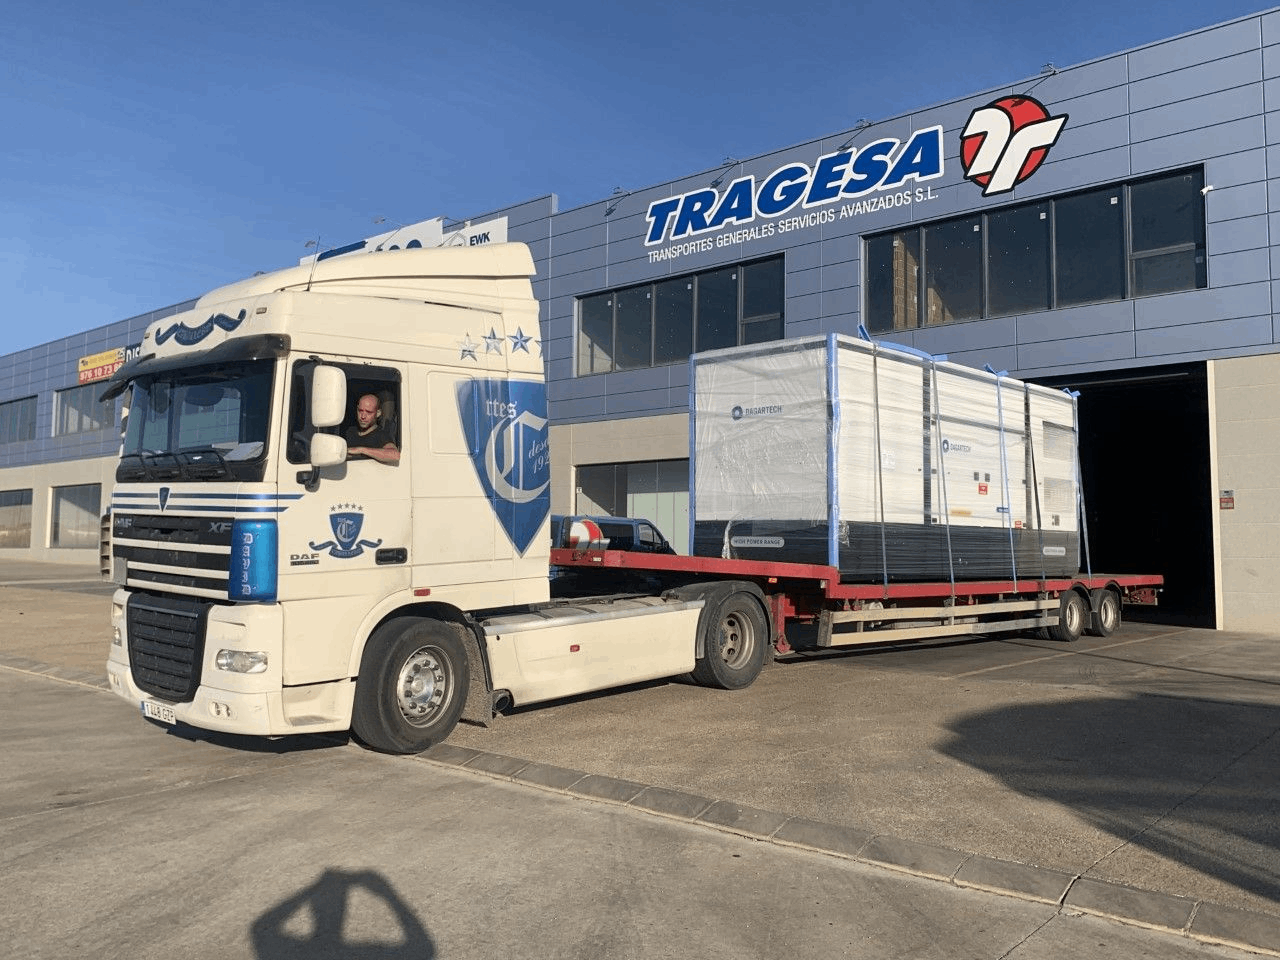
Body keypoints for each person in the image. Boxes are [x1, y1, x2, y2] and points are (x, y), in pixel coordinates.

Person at [344, 393, 400, 464]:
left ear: (378, 413)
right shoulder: (349, 431)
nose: (363, 416)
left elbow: (395, 455)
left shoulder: (381, 435)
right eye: (360, 411)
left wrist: (361, 450)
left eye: (369, 412)